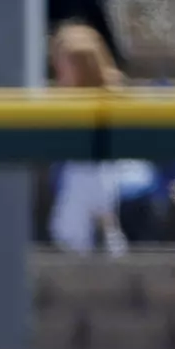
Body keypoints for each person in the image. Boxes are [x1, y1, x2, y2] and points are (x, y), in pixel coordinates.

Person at [47, 23, 128, 256]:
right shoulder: (61, 102)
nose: (60, 74)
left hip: (107, 178)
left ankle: (104, 241)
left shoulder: (111, 96)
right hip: (74, 185)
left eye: (65, 67)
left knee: (87, 180)